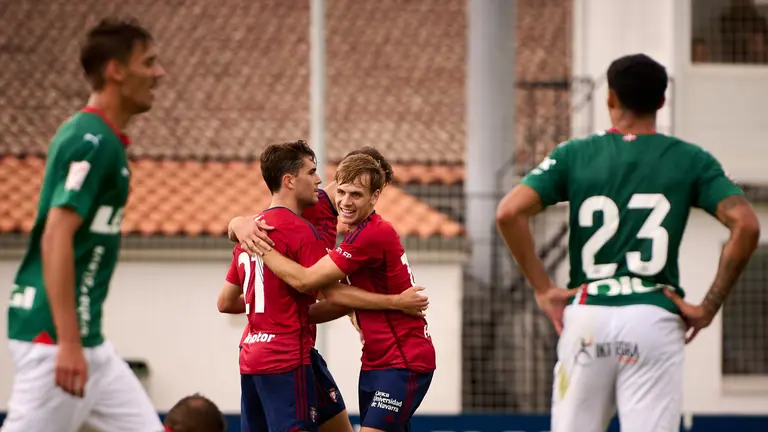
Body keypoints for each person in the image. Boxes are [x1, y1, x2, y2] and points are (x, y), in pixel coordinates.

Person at [496, 53, 760, 432]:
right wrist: (707, 307)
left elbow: (509, 213)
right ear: (662, 102)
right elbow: (746, 226)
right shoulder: (691, 159)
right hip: (653, 315)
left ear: (610, 98)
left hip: (589, 313)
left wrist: (544, 289)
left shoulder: (574, 154)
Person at [2, 17, 166, 432]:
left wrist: (80, 341)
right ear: (116, 70)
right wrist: (68, 343)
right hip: (54, 341)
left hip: (89, 345)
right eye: (148, 62)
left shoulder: (106, 140)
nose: (158, 74)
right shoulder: (90, 140)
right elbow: (56, 235)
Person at [216, 141, 427, 432]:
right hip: (290, 352)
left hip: (268, 349)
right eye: (341, 188)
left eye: (357, 193)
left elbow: (230, 301)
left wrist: (243, 229)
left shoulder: (356, 228)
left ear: (375, 194)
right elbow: (315, 285)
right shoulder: (307, 218)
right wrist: (239, 225)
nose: (344, 198)